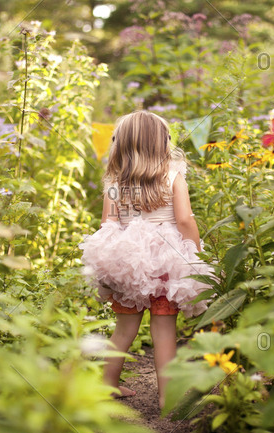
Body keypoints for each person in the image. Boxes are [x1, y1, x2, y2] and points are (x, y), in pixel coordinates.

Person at [78, 110, 215, 409]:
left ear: (122, 144)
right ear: (161, 142)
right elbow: (185, 221)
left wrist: (110, 258)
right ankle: (168, 397)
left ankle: (107, 386)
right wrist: (194, 255)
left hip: (130, 263)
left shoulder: (116, 180)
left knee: (124, 328)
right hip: (169, 263)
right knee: (164, 330)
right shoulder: (174, 176)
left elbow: (108, 224)